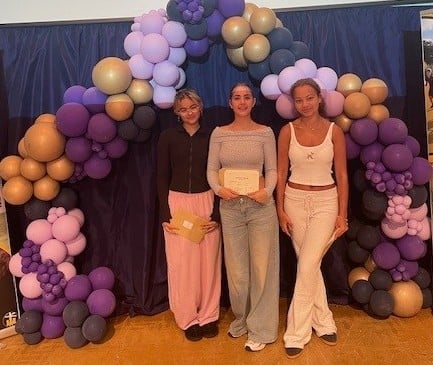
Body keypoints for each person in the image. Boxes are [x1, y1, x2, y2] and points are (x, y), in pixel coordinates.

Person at [276, 78, 349, 359]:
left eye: (309, 98)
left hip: (326, 202)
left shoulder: (334, 131)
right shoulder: (286, 131)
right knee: (310, 265)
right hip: (293, 202)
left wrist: (343, 213)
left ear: (320, 98)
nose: (304, 104)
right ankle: (324, 320)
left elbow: (342, 175)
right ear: (293, 103)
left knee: (307, 264)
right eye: (299, 100)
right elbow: (281, 172)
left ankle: (296, 332)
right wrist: (280, 208)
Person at [207, 82, 280, 352]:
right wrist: (219, 190)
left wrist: (268, 190)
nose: (241, 102)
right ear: (230, 102)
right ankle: (243, 319)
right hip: (230, 208)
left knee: (262, 269)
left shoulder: (265, 133)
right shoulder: (219, 134)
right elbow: (212, 170)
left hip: (260, 207)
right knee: (237, 272)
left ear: (253, 102)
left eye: (246, 97)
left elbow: (272, 169)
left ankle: (262, 328)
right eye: (236, 97)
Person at [157, 88, 222, 342]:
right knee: (182, 265)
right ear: (176, 112)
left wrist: (216, 212)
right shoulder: (167, 137)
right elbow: (161, 176)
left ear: (201, 107)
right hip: (178, 204)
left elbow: (219, 173)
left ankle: (208, 315)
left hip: (207, 200)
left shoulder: (213, 136)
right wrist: (166, 213)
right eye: (183, 109)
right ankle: (187, 317)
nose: (189, 113)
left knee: (209, 264)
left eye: (193, 107)